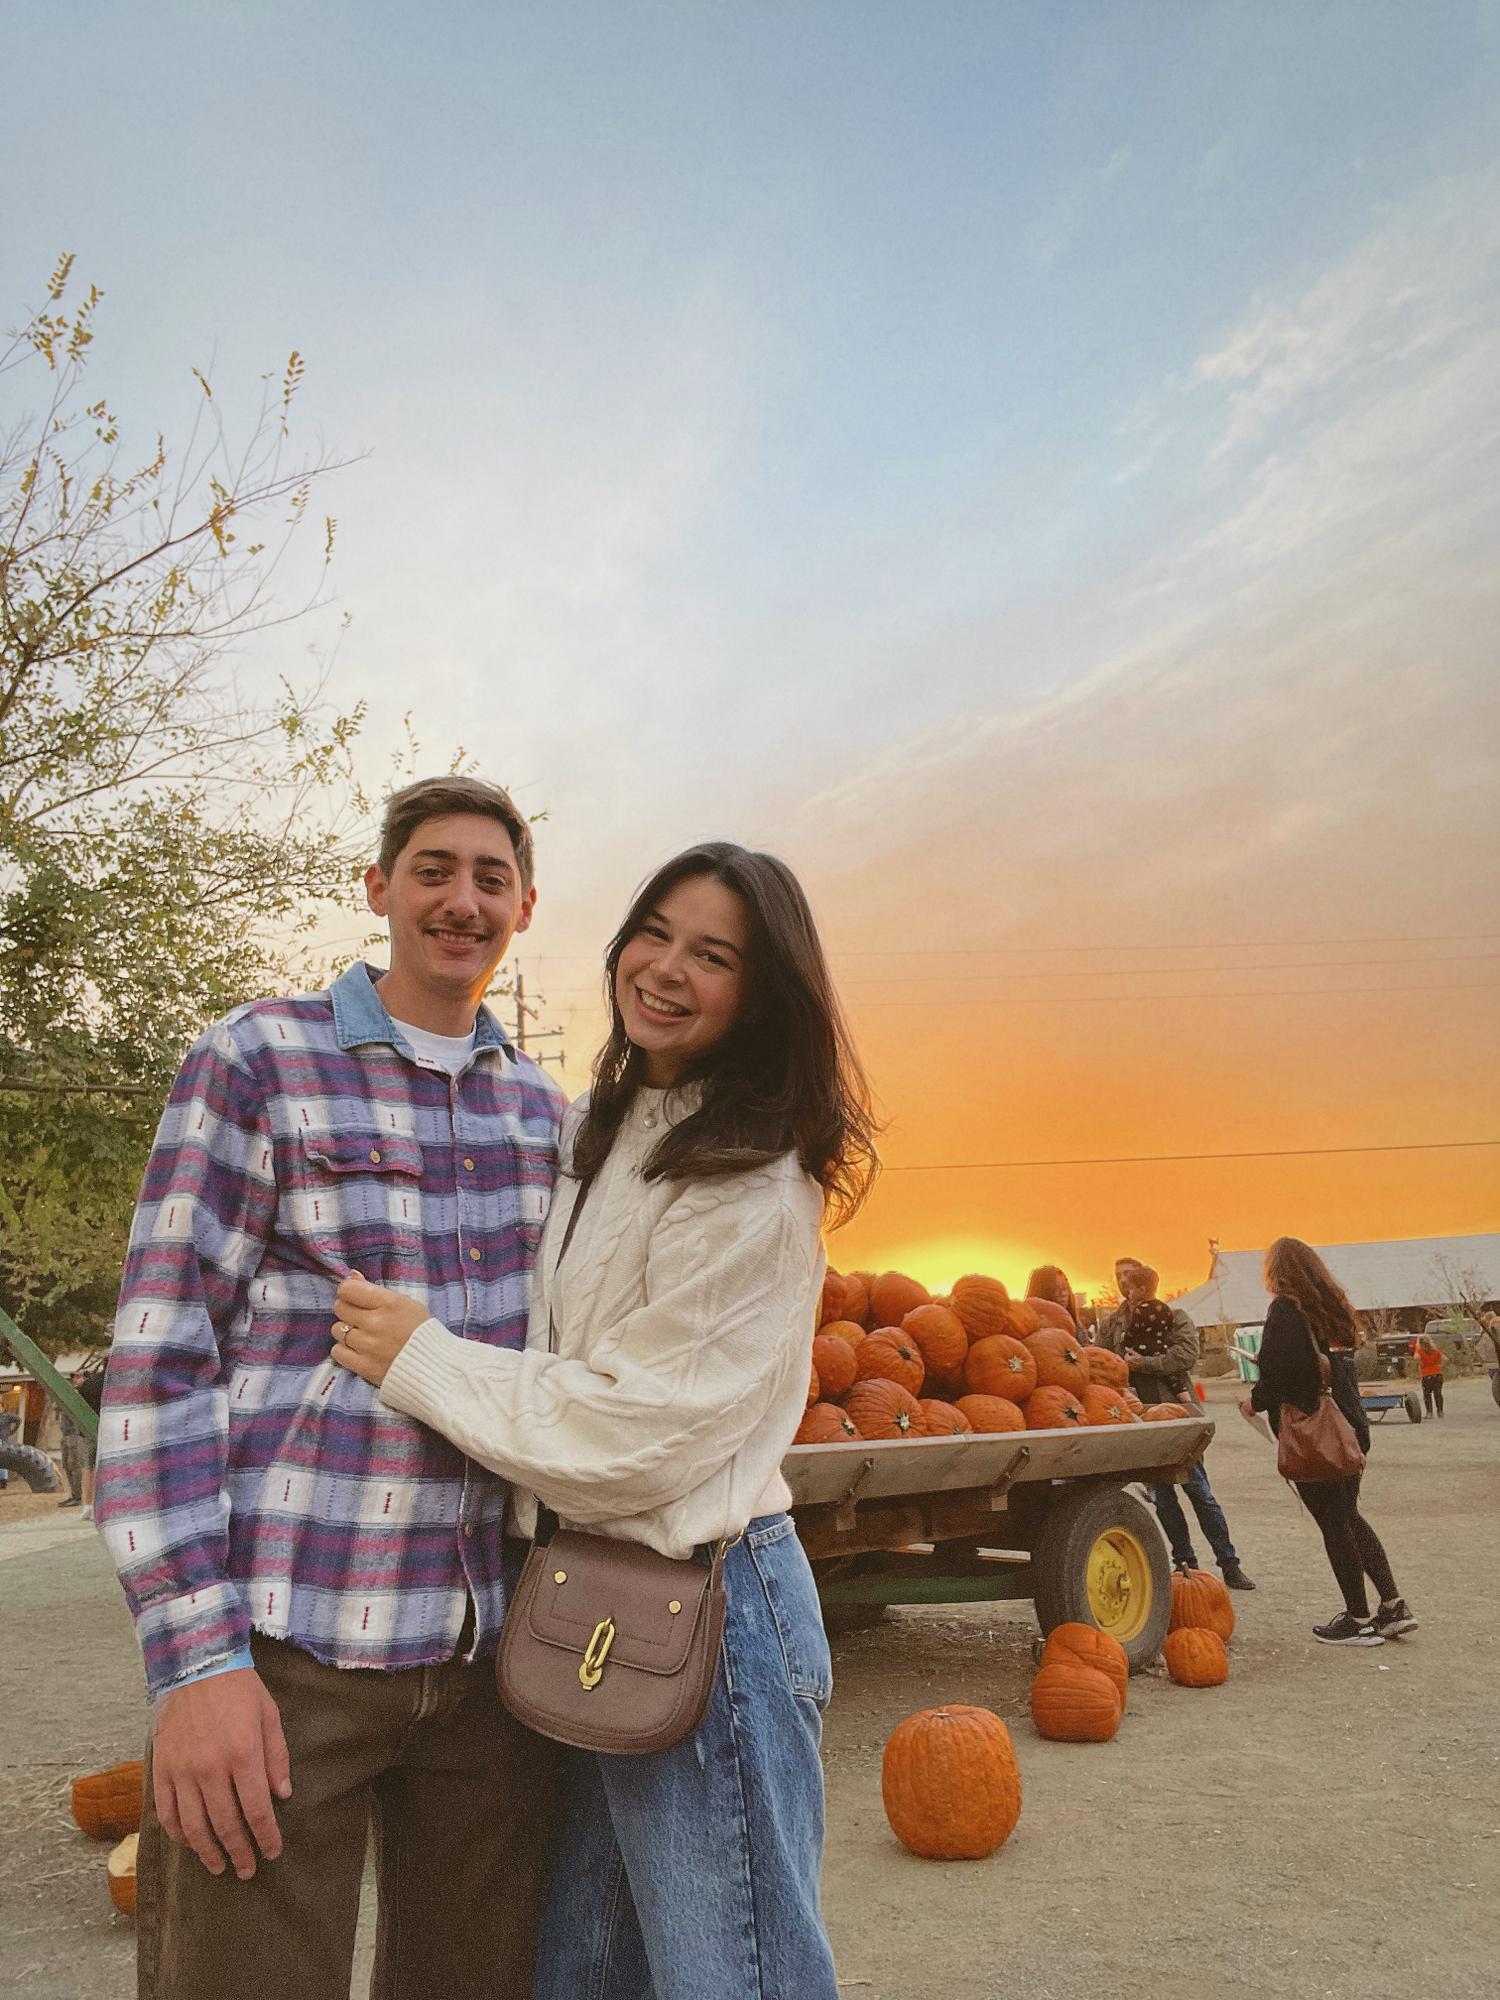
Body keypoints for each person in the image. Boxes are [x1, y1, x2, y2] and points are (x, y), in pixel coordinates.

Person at [329, 840, 878, 2000]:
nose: (667, 968)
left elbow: (634, 1434)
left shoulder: (756, 1182)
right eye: (657, 932)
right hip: (587, 1599)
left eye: (714, 954)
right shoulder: (609, 1123)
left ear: (763, 989)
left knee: (734, 1974)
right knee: (575, 1968)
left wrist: (423, 1359)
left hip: (709, 1610)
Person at [93, 775, 566, 2000]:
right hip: (287, 1650)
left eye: (490, 877)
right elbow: (159, 1358)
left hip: (489, 1660)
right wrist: (195, 1663)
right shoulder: (256, 1058)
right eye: (433, 869)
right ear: (378, 888)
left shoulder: (548, 1117)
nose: (462, 899)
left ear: (523, 906)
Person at [1246, 1236, 1416, 1645]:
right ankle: (1392, 1606)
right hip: (1349, 1427)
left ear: (1276, 1271)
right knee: (1350, 1515)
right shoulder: (1331, 1309)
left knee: (1334, 1522)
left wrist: (1254, 1401)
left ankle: (1357, 1620)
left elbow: (1283, 1374)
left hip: (1316, 1433)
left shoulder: (1285, 1311)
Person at [1098, 1258, 1255, 1590]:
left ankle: (1229, 1563)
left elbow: (1185, 1355)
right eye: (1119, 1278)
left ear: (1145, 1282)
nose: (1125, 1283)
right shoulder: (1112, 1324)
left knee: (1199, 1490)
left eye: (1130, 1277)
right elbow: (1101, 1364)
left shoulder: (1173, 1317)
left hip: (1177, 1413)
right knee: (1163, 1496)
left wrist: (1145, 1363)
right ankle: (1186, 1565)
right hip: (1138, 1416)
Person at [58, 1367, 105, 1514]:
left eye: (79, 1377)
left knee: (80, 1465)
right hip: (67, 1434)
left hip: (78, 1434)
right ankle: (75, 1495)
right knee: (68, 1465)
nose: (75, 1381)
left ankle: (80, 1497)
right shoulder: (74, 1394)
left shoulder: (87, 1394)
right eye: (74, 1378)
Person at [1025, 1263, 1082, 1335]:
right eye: (1055, 1289)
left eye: (1064, 1288)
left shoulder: (1076, 1326)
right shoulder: (1029, 1328)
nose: (1062, 1294)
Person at [1408, 1332, 1445, 1417]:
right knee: (1438, 1394)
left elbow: (1416, 1357)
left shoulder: (1420, 1350)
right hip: (1437, 1374)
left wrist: (1420, 1363)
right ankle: (1440, 1411)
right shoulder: (1435, 1350)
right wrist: (1440, 1366)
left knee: (1427, 1394)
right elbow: (1445, 1359)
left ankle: (1429, 1413)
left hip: (1426, 1375)